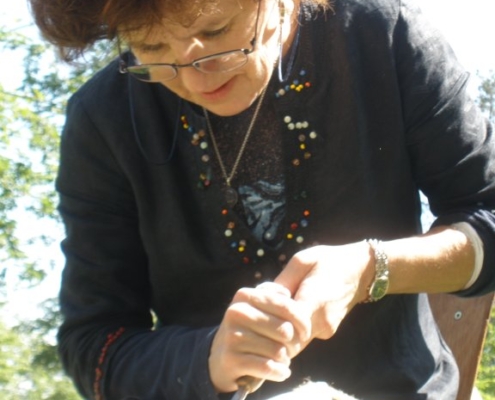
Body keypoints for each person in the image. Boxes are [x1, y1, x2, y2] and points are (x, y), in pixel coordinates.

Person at [28, 0, 495, 399]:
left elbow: (487, 215)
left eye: (216, 31)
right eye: (151, 49)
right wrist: (207, 359)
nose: (196, 79)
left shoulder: (381, 34)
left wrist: (375, 267)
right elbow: (94, 344)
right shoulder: (103, 121)